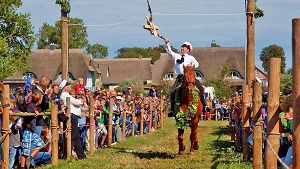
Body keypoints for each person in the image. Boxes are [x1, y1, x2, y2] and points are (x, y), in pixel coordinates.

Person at [162, 37, 207, 113]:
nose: (182, 48)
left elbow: (197, 64)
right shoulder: (176, 56)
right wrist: (167, 43)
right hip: (180, 78)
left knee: (200, 88)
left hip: (190, 78)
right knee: (172, 91)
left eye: (184, 47)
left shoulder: (191, 57)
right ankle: (172, 110)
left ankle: (205, 105)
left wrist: (191, 65)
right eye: (182, 47)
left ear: (188, 50)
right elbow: (169, 52)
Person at [59, 79, 86, 160]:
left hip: (74, 116)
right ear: (65, 87)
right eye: (68, 85)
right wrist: (80, 101)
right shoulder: (65, 95)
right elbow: (76, 102)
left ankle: (81, 155)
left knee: (76, 137)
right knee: (73, 136)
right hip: (72, 116)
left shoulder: (66, 94)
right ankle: (67, 154)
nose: (70, 86)